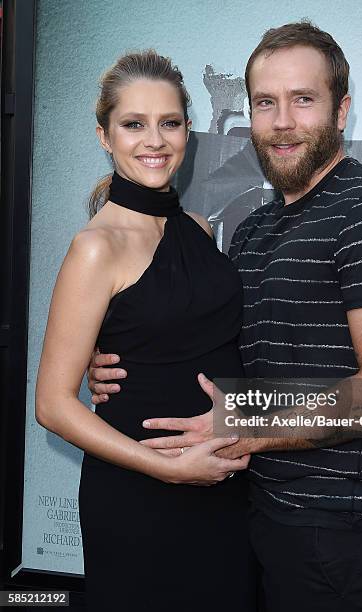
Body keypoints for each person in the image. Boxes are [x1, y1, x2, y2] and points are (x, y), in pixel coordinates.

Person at [89, 23, 362, 612]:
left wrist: (242, 424)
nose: (281, 122)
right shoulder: (255, 230)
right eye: (264, 103)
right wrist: (115, 361)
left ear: (342, 109)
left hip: (333, 534)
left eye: (303, 100)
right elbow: (212, 342)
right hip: (246, 510)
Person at [35, 50, 258, 612]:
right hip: (141, 497)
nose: (154, 140)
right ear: (105, 136)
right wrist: (172, 470)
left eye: (170, 122)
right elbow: (53, 406)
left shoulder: (199, 230)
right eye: (134, 124)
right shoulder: (95, 248)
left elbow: (192, 341)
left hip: (227, 490)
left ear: (188, 130)